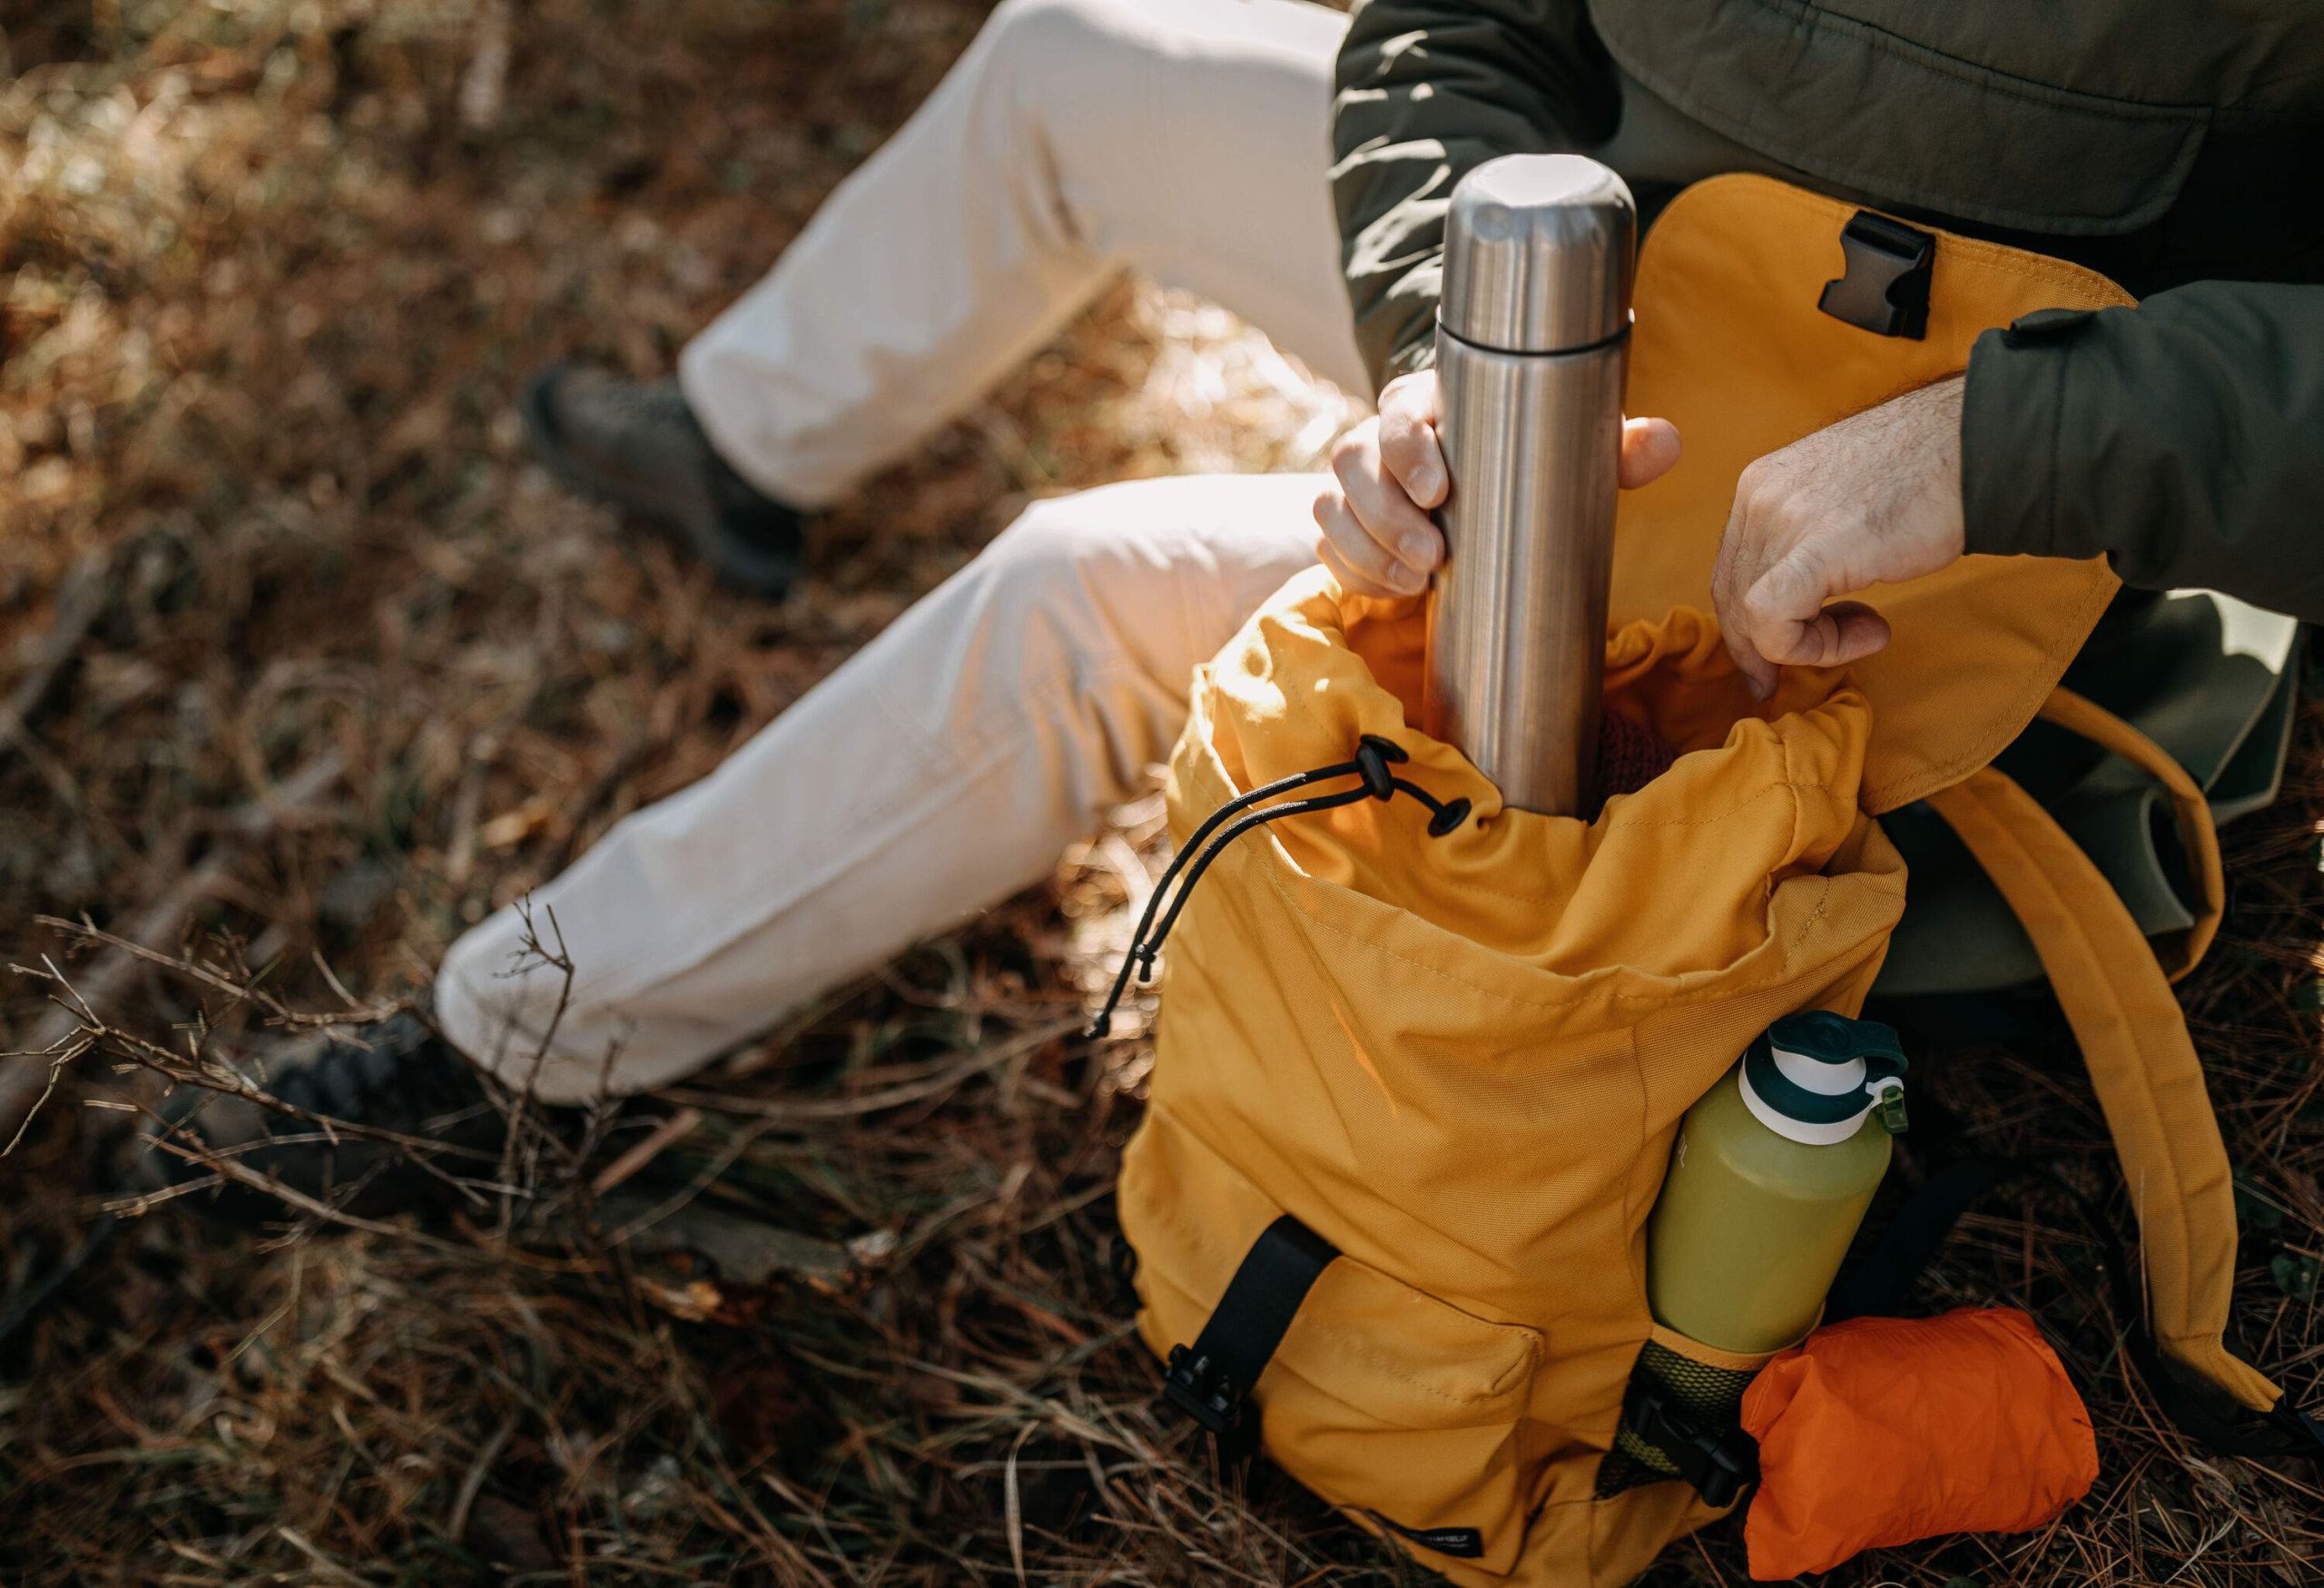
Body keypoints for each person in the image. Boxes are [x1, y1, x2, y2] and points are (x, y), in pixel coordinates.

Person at [169, 0, 2323, 1211]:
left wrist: (2009, 447)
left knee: (1071, 585)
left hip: (1957, 565)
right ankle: (742, 446)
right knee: (1068, 66)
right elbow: (1456, 32)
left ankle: (509, 1051)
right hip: (1610, 314)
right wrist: (1444, 342)